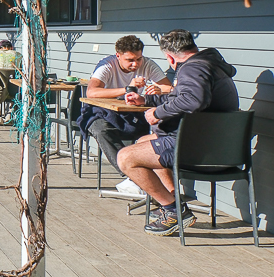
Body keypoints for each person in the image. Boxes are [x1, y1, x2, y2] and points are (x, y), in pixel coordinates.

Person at [118, 30, 239, 236]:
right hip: (219, 147)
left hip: (202, 152)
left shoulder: (193, 68)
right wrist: (147, 100)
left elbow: (193, 100)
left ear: (170, 57)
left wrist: (157, 112)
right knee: (144, 141)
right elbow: (182, 97)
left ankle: (174, 211)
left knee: (126, 158)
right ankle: (172, 201)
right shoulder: (210, 64)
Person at [77, 35, 172, 194]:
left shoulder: (147, 64)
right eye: (130, 60)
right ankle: (134, 176)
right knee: (100, 129)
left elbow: (168, 88)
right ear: (118, 56)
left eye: (139, 59)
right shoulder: (107, 65)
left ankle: (141, 179)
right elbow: (91, 92)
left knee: (152, 129)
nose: (136, 64)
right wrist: (128, 88)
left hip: (133, 112)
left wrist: (158, 89)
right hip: (103, 112)